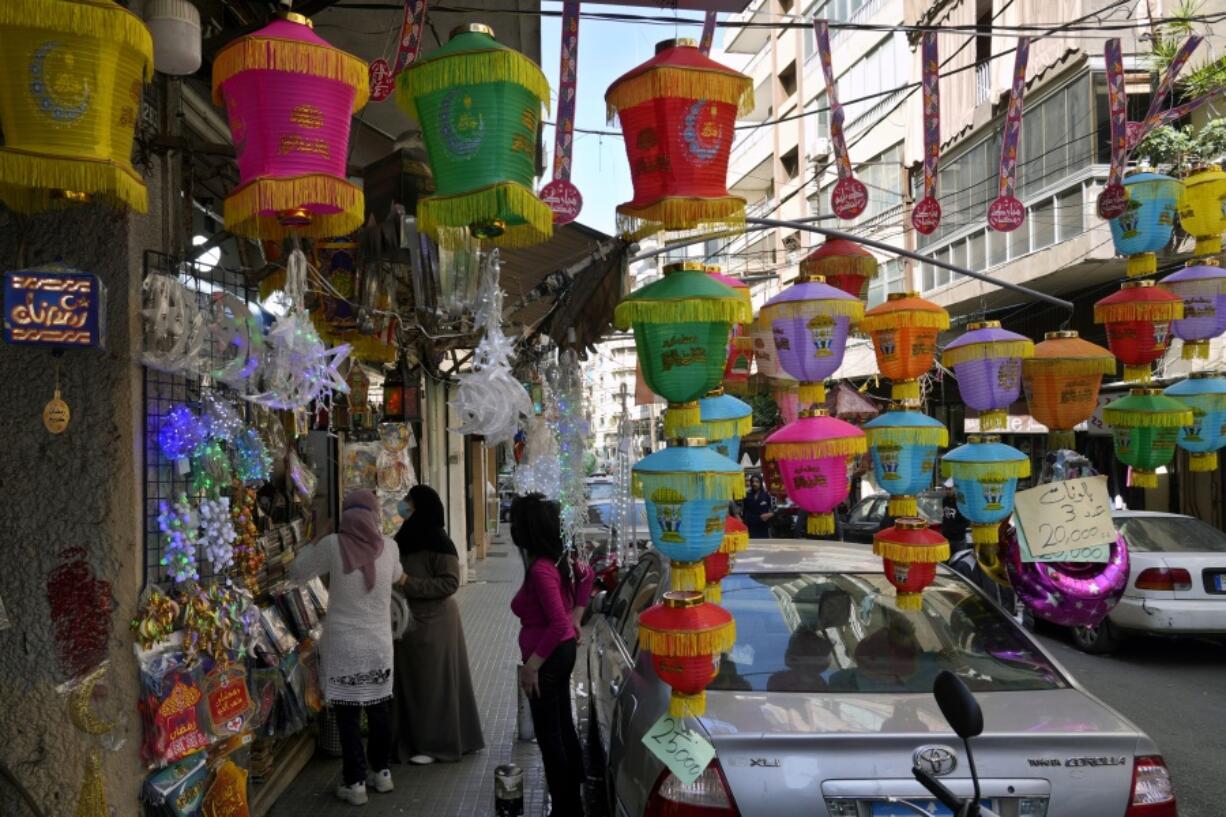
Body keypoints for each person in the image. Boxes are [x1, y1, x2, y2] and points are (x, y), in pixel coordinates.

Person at [290, 490, 402, 806]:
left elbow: (296, 572)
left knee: (348, 715)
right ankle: (382, 773)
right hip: (378, 644)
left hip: (343, 646)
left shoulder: (333, 546)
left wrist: (316, 539)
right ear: (375, 514)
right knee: (380, 709)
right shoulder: (390, 547)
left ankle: (355, 783)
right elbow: (394, 575)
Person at [510, 494, 595, 817]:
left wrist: (532, 667)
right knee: (561, 726)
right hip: (560, 655)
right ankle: (572, 797)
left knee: (550, 736)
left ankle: (564, 807)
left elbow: (557, 622)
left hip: (547, 660)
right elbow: (586, 574)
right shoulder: (559, 561)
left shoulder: (543, 569)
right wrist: (577, 616)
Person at [391, 485, 484, 765]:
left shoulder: (439, 542)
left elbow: (450, 582)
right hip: (407, 621)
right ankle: (414, 740)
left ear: (422, 506)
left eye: (409, 500)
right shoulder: (405, 537)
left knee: (434, 684)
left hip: (435, 623)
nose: (404, 504)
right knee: (412, 684)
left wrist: (409, 583)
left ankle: (435, 745)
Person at [743, 475, 776, 539]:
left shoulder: (767, 495)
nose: (754, 484)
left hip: (763, 527)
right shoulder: (747, 495)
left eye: (757, 482)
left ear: (761, 483)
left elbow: (775, 509)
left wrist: (770, 514)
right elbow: (744, 511)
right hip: (750, 527)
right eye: (752, 482)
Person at [941, 478, 969, 549]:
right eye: (946, 489)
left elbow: (967, 521)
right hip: (946, 538)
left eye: (950, 489)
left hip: (958, 539)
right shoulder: (945, 500)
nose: (947, 491)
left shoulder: (961, 502)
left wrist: (955, 530)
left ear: (955, 489)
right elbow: (945, 516)